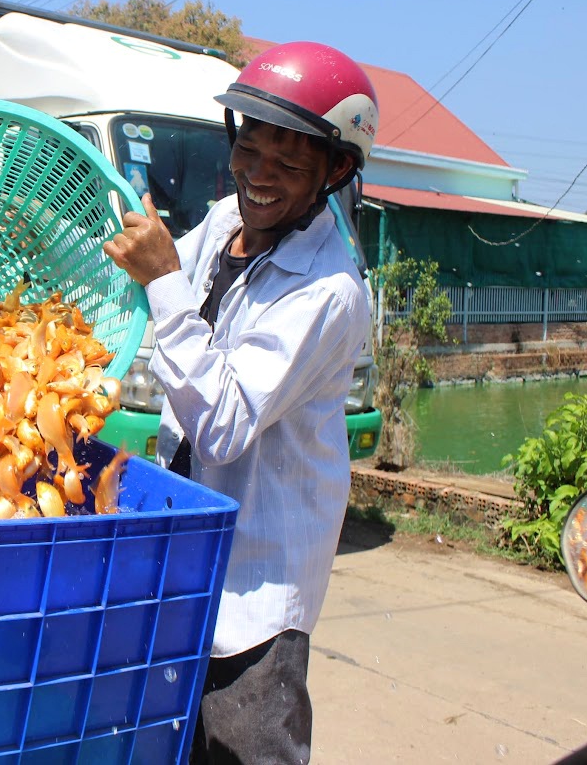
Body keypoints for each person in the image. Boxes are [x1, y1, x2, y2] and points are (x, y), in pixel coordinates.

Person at [103, 42, 378, 764]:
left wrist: (162, 279)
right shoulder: (228, 220)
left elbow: (222, 423)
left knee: (243, 746)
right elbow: (150, 295)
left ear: (336, 170)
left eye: (286, 166)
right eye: (248, 150)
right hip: (179, 560)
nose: (258, 178)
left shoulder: (328, 292)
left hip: (256, 590)